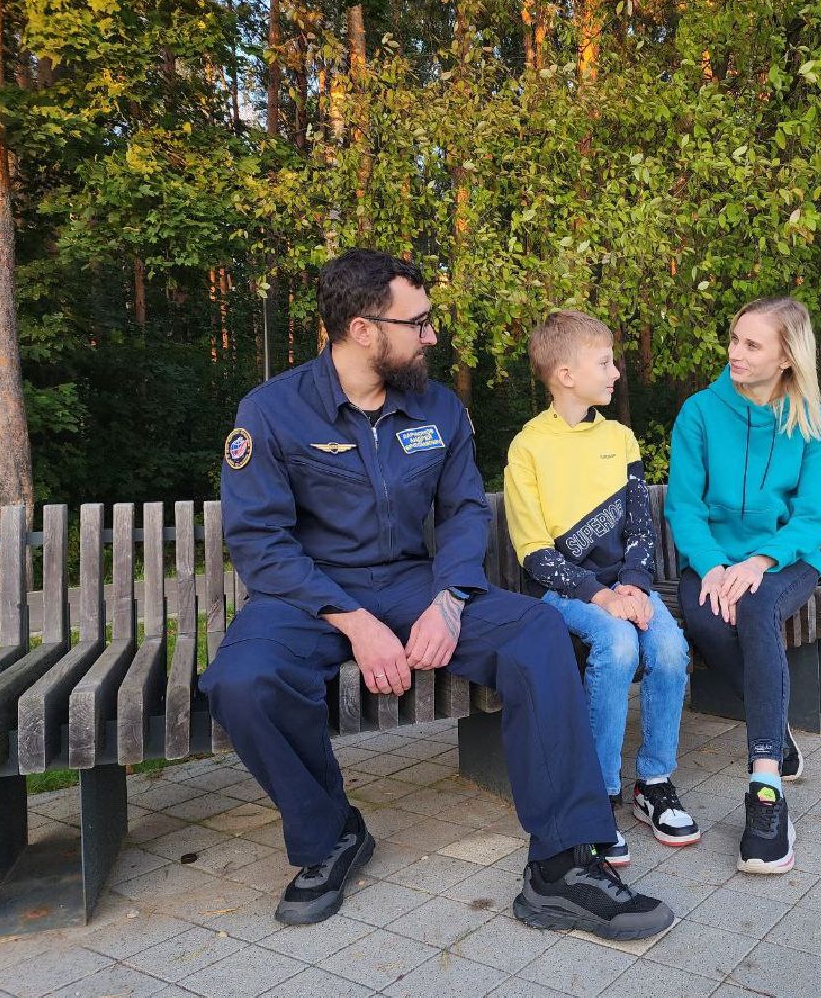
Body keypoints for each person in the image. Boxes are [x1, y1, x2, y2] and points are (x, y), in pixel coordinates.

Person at [200, 249, 673, 941]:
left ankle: (564, 867)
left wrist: (449, 600)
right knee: (241, 681)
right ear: (363, 330)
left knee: (536, 635)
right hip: (308, 596)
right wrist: (352, 619)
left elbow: (463, 515)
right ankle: (331, 836)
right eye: (416, 323)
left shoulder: (438, 407)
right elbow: (260, 539)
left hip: (415, 584)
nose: (430, 336)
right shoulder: (271, 412)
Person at [503, 311, 697, 868]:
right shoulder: (528, 448)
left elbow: (641, 527)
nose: (615, 373)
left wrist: (633, 587)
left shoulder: (621, 438)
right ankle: (598, 795)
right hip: (568, 594)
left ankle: (654, 781)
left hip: (627, 588)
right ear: (565, 374)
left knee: (667, 648)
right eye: (605, 362)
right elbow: (534, 552)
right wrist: (601, 596)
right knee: (616, 646)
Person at [664, 297, 821, 875]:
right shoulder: (699, 412)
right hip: (712, 563)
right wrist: (714, 565)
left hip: (785, 562)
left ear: (787, 357)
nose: (735, 353)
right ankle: (777, 725)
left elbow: (814, 518)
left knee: (756, 608)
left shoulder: (812, 421)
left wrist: (761, 560)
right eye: (734, 339)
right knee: (711, 622)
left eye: (752, 344)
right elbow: (684, 505)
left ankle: (766, 788)